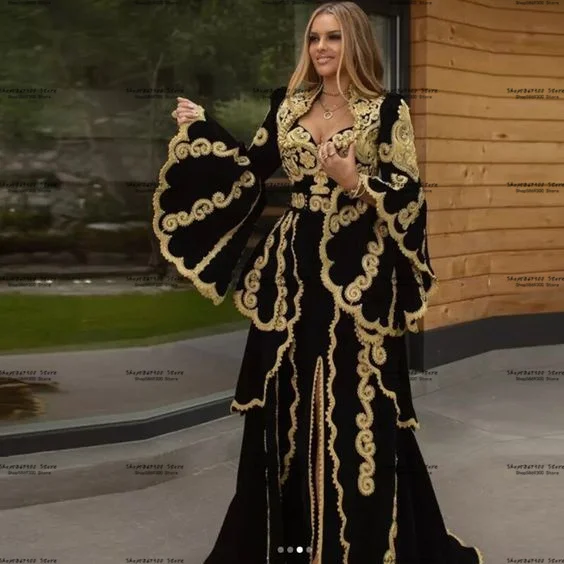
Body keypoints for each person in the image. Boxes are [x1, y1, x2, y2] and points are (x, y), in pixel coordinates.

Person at [153, 2, 483, 562]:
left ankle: (366, 546)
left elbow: (409, 194)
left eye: (333, 37)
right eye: (314, 38)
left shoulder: (387, 111)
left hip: (361, 277)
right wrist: (202, 128)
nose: (322, 48)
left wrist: (354, 180)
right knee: (285, 398)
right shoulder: (288, 105)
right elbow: (249, 170)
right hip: (291, 274)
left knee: (362, 404)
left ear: (355, 42)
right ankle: (292, 544)